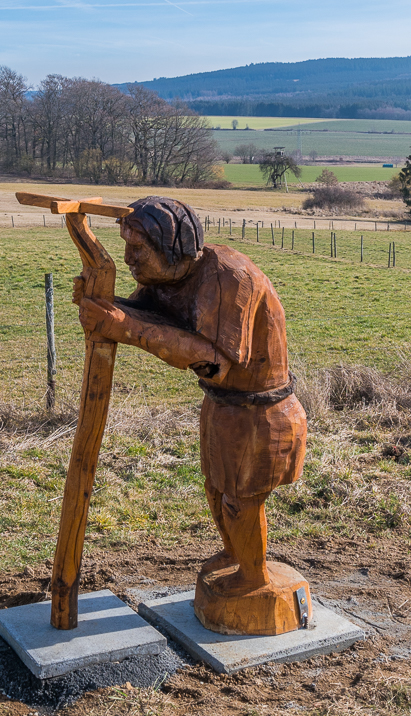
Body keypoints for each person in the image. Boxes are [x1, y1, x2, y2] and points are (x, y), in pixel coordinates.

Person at [75, 196, 309, 635]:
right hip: (223, 406)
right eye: (127, 246)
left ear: (172, 245)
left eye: (139, 249)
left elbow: (214, 359)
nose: (129, 259)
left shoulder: (228, 278)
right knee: (216, 489)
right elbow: (147, 314)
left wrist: (124, 326)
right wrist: (107, 308)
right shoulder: (170, 276)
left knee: (241, 500)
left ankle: (254, 576)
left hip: (263, 414)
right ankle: (235, 556)